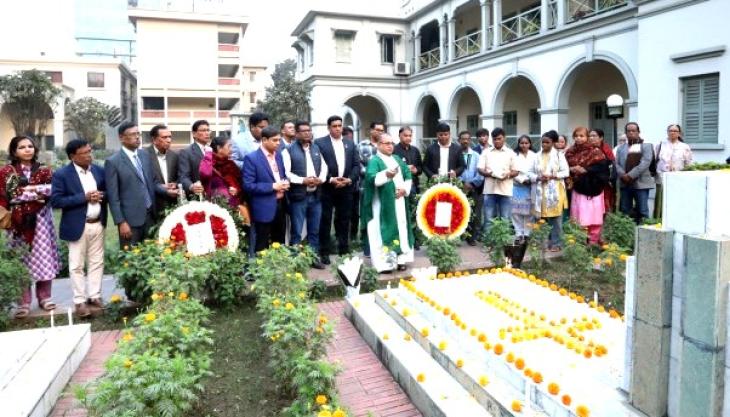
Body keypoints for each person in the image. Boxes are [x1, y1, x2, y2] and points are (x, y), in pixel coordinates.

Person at [0, 136, 60, 318]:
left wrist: (30, 192)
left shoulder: (44, 170)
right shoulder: (7, 172)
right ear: (14, 151)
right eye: (22, 147)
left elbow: (53, 191)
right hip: (17, 223)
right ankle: (23, 302)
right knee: (21, 259)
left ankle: (44, 298)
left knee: (44, 257)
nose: (27, 150)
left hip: (42, 221)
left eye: (30, 146)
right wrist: (36, 192)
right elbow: (11, 195)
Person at [51, 139, 107, 318]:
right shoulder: (62, 174)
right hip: (77, 225)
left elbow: (108, 192)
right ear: (72, 156)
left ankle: (95, 295)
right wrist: (84, 197)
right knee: (76, 265)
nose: (89, 155)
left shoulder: (98, 170)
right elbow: (56, 201)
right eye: (85, 153)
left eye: (90, 151)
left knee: (97, 261)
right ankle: (79, 301)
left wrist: (101, 195)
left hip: (98, 222)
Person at [106, 122, 176, 248]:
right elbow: (113, 197)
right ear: (121, 138)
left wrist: (165, 190)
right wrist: (121, 222)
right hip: (130, 221)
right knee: (130, 257)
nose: (137, 137)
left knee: (151, 254)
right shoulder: (113, 162)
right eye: (133, 134)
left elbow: (151, 183)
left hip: (150, 216)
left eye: (138, 133)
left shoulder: (144, 155)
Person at [361, 133, 414, 273]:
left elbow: (407, 174)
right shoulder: (375, 161)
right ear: (379, 145)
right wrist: (386, 175)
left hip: (399, 202)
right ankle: (385, 264)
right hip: (381, 205)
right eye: (387, 143)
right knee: (381, 231)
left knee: (401, 228)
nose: (390, 146)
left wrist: (404, 190)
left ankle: (401, 260)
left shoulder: (397, 158)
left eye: (392, 143)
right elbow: (371, 179)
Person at [282, 121, 328, 269]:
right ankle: (295, 261)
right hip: (298, 197)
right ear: (296, 134)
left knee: (314, 230)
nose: (307, 133)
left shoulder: (316, 148)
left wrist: (321, 179)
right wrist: (303, 180)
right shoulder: (288, 151)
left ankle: (313, 258)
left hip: (316, 196)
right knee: (296, 231)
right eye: (303, 131)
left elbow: (324, 167)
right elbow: (287, 173)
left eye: (309, 130)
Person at [315, 115, 360, 264]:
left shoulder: (350, 143)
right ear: (329, 128)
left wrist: (349, 179)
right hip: (327, 188)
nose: (337, 129)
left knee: (344, 220)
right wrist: (330, 179)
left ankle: (343, 250)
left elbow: (356, 165)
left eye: (339, 126)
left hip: (346, 188)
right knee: (325, 220)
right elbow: (317, 165)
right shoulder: (320, 143)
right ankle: (324, 252)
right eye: (334, 126)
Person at [243, 126, 289, 252]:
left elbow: (281, 175)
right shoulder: (252, 158)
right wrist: (272, 186)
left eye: (279, 140)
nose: (278, 143)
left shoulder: (278, 156)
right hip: (263, 207)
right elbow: (248, 185)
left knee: (279, 243)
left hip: (280, 204)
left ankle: (279, 265)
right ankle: (260, 265)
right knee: (262, 245)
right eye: (275, 140)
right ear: (264, 140)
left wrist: (285, 182)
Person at [565, 126, 611, 245]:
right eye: (576, 136)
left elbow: (602, 169)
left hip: (594, 189)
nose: (579, 138)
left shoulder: (595, 151)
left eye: (582, 136)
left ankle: (593, 241)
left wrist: (586, 170)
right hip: (578, 188)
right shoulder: (570, 152)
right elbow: (564, 167)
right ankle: (579, 241)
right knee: (579, 216)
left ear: (587, 137)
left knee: (594, 216)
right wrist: (571, 169)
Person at [528, 131, 569, 251]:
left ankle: (556, 243)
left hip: (555, 191)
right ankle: (541, 243)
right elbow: (529, 172)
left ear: (553, 143)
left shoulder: (559, 156)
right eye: (543, 142)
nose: (544, 145)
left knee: (556, 219)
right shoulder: (536, 156)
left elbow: (566, 172)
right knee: (540, 218)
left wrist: (552, 176)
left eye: (547, 142)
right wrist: (538, 177)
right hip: (540, 191)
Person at [477, 127, 518, 234]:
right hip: (489, 190)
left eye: (499, 139)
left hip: (505, 191)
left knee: (505, 218)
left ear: (504, 138)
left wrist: (507, 175)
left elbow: (516, 171)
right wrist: (489, 174)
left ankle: (503, 241)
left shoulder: (511, 153)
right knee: (488, 218)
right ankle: (489, 241)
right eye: (495, 139)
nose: (497, 141)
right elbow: (480, 169)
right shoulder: (486, 152)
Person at [354, 121, 385, 253]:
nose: (380, 132)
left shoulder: (386, 145)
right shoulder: (361, 146)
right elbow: (358, 165)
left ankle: (382, 245)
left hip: (384, 187)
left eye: (382, 130)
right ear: (371, 130)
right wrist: (374, 175)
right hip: (366, 187)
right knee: (367, 216)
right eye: (377, 130)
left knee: (382, 215)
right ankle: (367, 246)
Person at [615, 122, 654, 224]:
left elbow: (645, 162)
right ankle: (628, 231)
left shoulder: (646, 146)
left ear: (638, 132)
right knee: (625, 210)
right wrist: (623, 175)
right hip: (625, 183)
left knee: (642, 210)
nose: (631, 133)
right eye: (628, 131)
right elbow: (616, 163)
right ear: (626, 133)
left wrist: (630, 175)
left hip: (640, 183)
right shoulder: (620, 148)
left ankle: (644, 229)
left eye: (633, 131)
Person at [653, 124, 692, 219]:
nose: (672, 132)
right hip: (661, 178)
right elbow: (654, 160)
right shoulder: (660, 145)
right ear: (667, 132)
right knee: (661, 201)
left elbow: (689, 164)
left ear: (679, 133)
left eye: (675, 131)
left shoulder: (685, 147)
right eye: (670, 130)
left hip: (678, 179)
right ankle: (658, 220)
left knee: (676, 201)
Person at [393, 126, 423, 250]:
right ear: (399, 136)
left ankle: (414, 239)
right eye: (405, 135)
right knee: (401, 213)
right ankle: (401, 239)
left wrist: (416, 170)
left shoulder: (415, 150)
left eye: (410, 135)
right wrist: (404, 168)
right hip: (400, 187)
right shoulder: (394, 150)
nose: (408, 138)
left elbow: (420, 168)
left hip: (414, 185)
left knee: (414, 212)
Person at [199, 136, 243, 208]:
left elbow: (240, 183)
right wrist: (208, 154)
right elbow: (205, 174)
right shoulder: (208, 162)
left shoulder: (231, 164)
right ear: (219, 148)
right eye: (229, 146)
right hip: (214, 206)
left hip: (233, 206)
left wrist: (236, 190)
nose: (231, 150)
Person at [145, 124, 179, 217]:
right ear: (154, 140)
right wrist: (162, 188)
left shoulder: (174, 156)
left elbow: (180, 176)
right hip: (152, 206)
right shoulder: (143, 155)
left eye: (170, 137)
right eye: (164, 137)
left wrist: (175, 184)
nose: (169, 140)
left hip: (172, 205)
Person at [458, 131, 484, 245]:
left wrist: (471, 184)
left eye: (467, 139)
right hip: (459, 188)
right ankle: (460, 236)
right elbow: (454, 170)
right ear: (459, 140)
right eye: (463, 139)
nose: (465, 141)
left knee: (475, 214)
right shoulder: (456, 154)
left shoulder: (476, 155)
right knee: (459, 212)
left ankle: (472, 238)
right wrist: (462, 183)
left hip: (474, 189)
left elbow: (480, 173)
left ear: (470, 140)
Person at [512, 135, 537, 240]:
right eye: (522, 143)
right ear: (518, 144)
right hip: (517, 186)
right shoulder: (514, 155)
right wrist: (522, 180)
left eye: (526, 143)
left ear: (530, 144)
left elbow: (537, 170)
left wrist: (531, 179)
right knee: (516, 212)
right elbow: (512, 170)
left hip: (531, 186)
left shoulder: (534, 155)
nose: (524, 145)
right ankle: (518, 233)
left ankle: (527, 233)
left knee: (529, 212)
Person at [178, 120, 211, 197]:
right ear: (194, 134)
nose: (207, 133)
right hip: (197, 197)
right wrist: (191, 186)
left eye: (208, 130)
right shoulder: (186, 152)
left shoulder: (211, 150)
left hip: (214, 197)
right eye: (203, 130)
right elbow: (183, 177)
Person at [589, 128, 616, 212]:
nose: (591, 138)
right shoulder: (587, 148)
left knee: (605, 202)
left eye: (594, 136)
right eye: (590, 136)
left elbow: (611, 163)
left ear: (601, 138)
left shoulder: (606, 148)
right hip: (590, 180)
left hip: (604, 180)